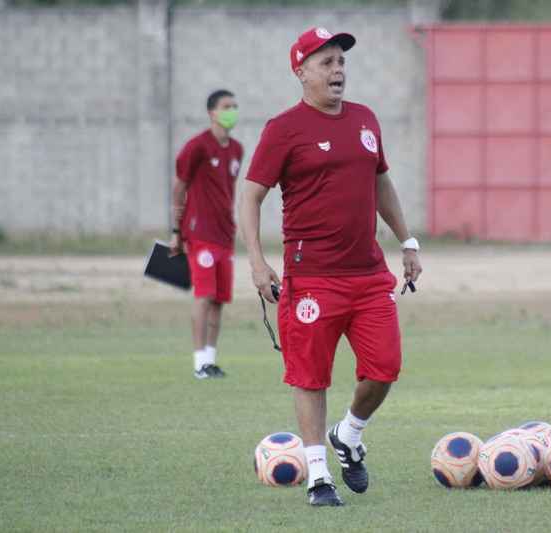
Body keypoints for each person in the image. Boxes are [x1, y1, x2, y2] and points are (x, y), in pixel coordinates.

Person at [239, 28, 422, 506]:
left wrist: (408, 242)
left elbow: (382, 184)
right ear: (301, 73)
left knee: (384, 371)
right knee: (310, 377)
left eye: (341, 61)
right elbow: (251, 196)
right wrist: (258, 263)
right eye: (327, 63)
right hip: (311, 278)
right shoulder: (283, 129)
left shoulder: (365, 119)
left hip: (368, 275)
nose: (338, 70)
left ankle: (350, 434)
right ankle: (319, 477)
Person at [170, 89, 244, 378]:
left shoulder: (237, 149)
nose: (233, 111)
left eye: (235, 106)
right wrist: (176, 229)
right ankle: (199, 363)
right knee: (204, 296)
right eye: (227, 106)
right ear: (212, 113)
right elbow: (179, 187)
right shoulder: (197, 146)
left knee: (220, 299)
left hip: (226, 234)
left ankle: (211, 360)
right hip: (199, 233)